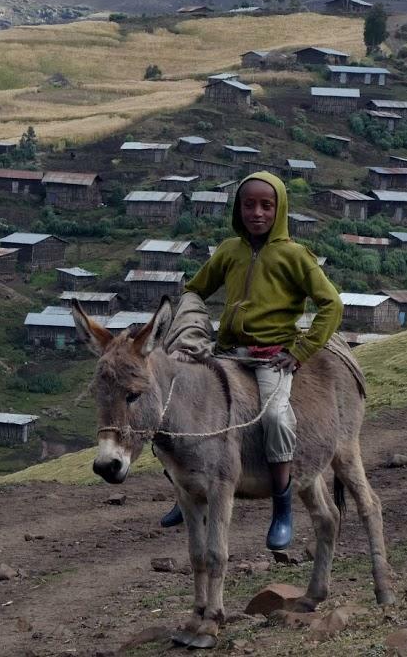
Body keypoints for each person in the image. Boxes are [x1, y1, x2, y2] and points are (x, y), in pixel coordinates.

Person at [159, 171, 343, 550]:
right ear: (238, 209)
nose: (257, 213)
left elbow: (332, 305)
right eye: (249, 205)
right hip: (226, 354)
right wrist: (190, 328)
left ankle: (282, 506)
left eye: (266, 205)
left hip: (271, 358)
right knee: (172, 409)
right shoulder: (229, 251)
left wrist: (301, 351)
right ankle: (185, 493)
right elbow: (195, 289)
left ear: (280, 209)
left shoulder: (295, 256)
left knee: (276, 418)